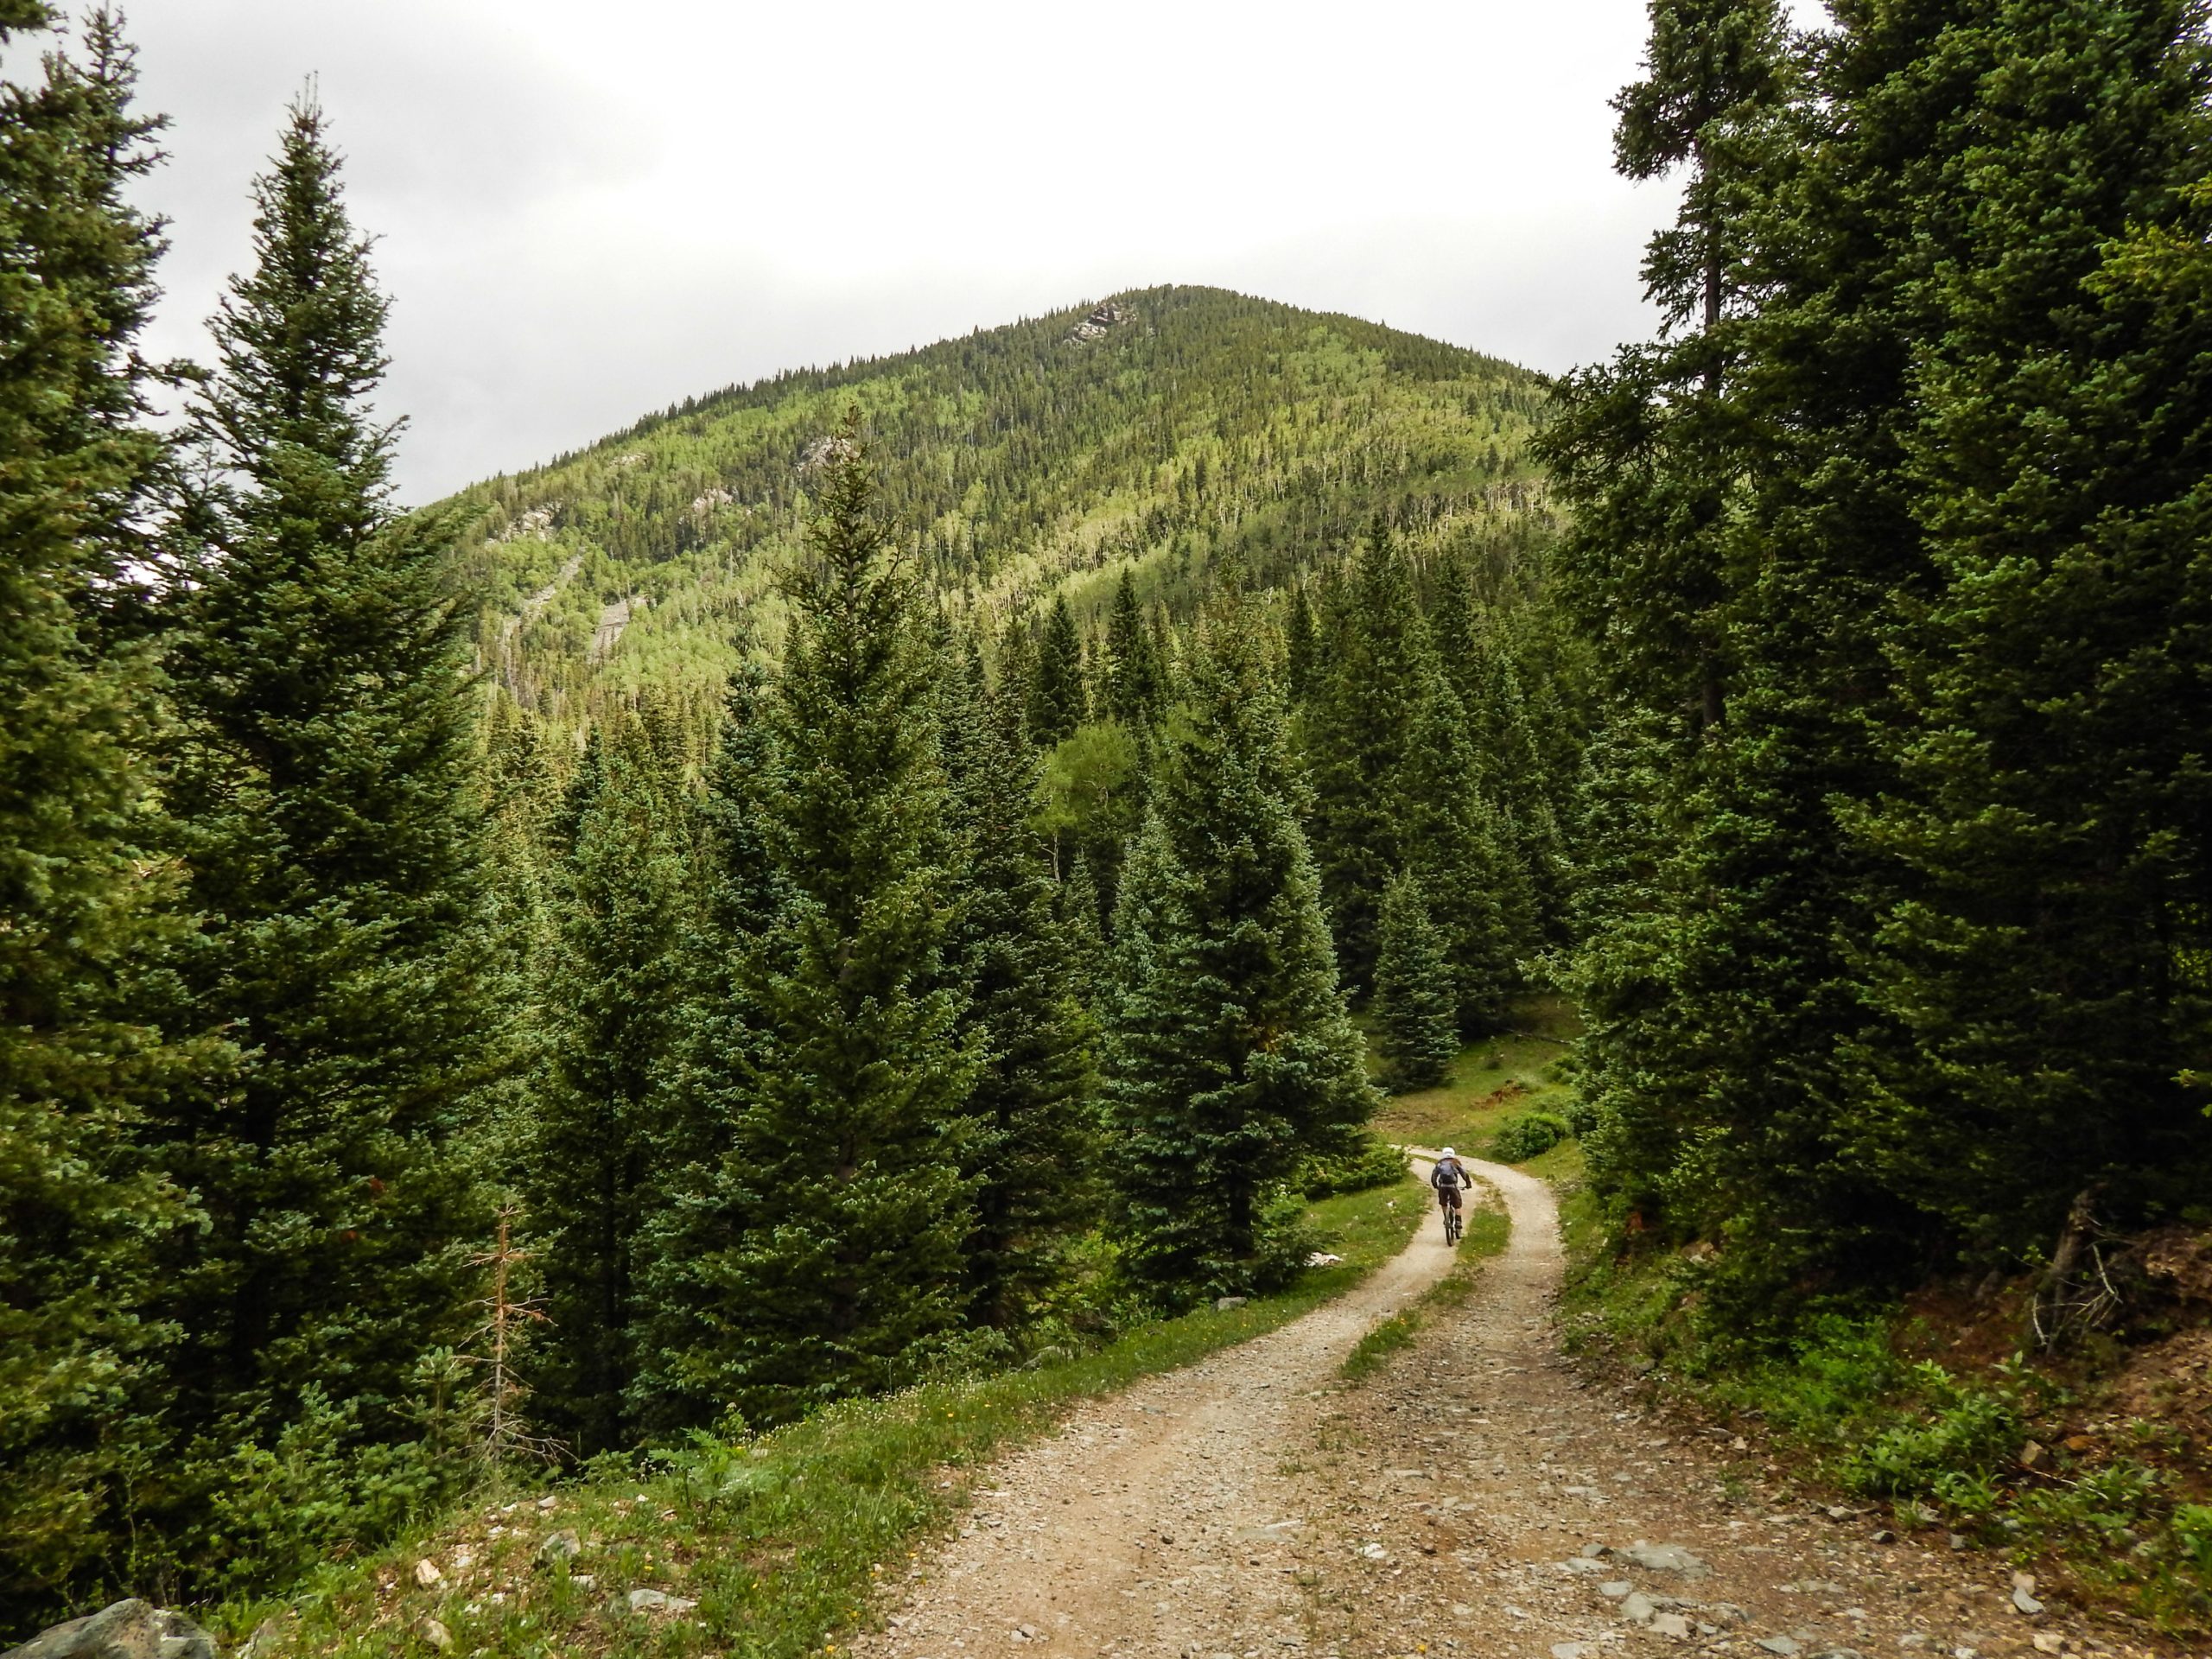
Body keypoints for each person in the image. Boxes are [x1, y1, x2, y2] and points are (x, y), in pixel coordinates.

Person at [1430, 1146, 1471, 1224]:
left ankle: (1446, 1218)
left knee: (1443, 1203)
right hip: (1453, 1186)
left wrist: (1435, 1185)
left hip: (1442, 1186)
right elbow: (1464, 1174)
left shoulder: (1439, 1163)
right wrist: (1468, 1184)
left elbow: (1434, 1175)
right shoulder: (1456, 1162)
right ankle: (1458, 1222)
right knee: (1457, 1205)